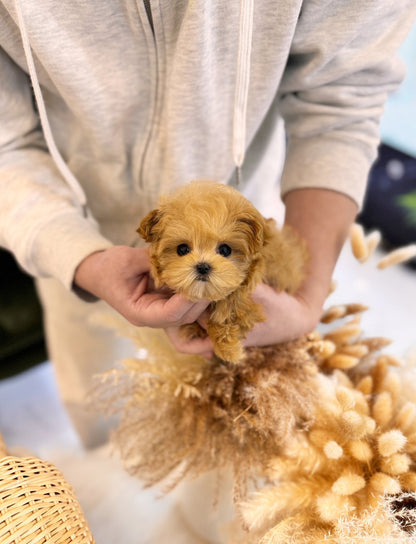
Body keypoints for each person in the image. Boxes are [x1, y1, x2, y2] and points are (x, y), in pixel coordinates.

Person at [1, 0, 415, 447]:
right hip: (72, 241)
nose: (200, 263)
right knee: (97, 401)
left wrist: (306, 298)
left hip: (246, 209)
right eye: (184, 251)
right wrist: (76, 253)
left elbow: (344, 99)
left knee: (227, 427)